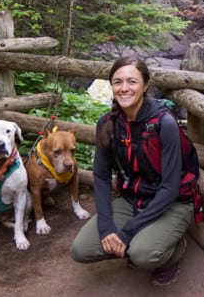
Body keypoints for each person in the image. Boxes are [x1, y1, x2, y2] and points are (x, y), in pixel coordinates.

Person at [70, 55, 194, 286]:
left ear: (146, 85)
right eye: (118, 82)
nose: (124, 88)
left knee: (142, 255)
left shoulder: (163, 123)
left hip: (172, 202)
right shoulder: (107, 123)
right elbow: (102, 175)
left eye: (132, 82)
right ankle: (139, 238)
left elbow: (170, 187)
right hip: (132, 199)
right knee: (81, 250)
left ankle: (174, 251)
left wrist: (126, 233)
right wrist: (107, 228)